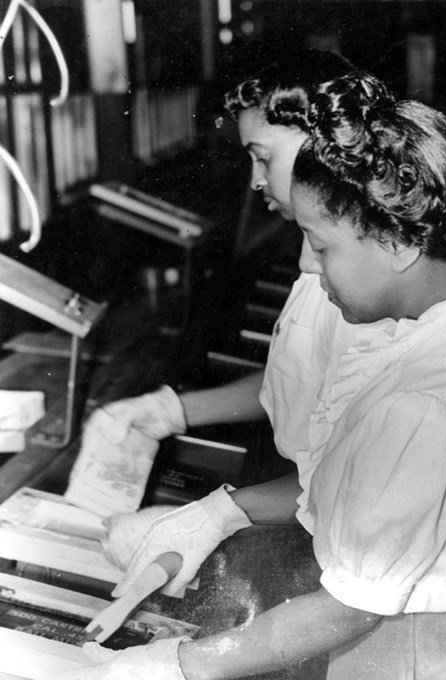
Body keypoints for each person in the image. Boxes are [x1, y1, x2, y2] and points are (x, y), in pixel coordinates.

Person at [43, 73, 446, 680]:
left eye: (321, 247)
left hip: (437, 664)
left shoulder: (427, 398)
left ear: (395, 242)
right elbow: (355, 481)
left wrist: (177, 665)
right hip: (421, 630)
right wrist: (218, 511)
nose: (314, 273)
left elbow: (351, 604)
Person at [87, 49, 361, 578]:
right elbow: (297, 378)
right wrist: (171, 411)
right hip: (301, 503)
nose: (255, 181)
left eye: (264, 157)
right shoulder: (314, 254)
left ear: (323, 149)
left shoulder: (357, 279)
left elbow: (356, 476)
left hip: (330, 534)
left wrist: (210, 517)